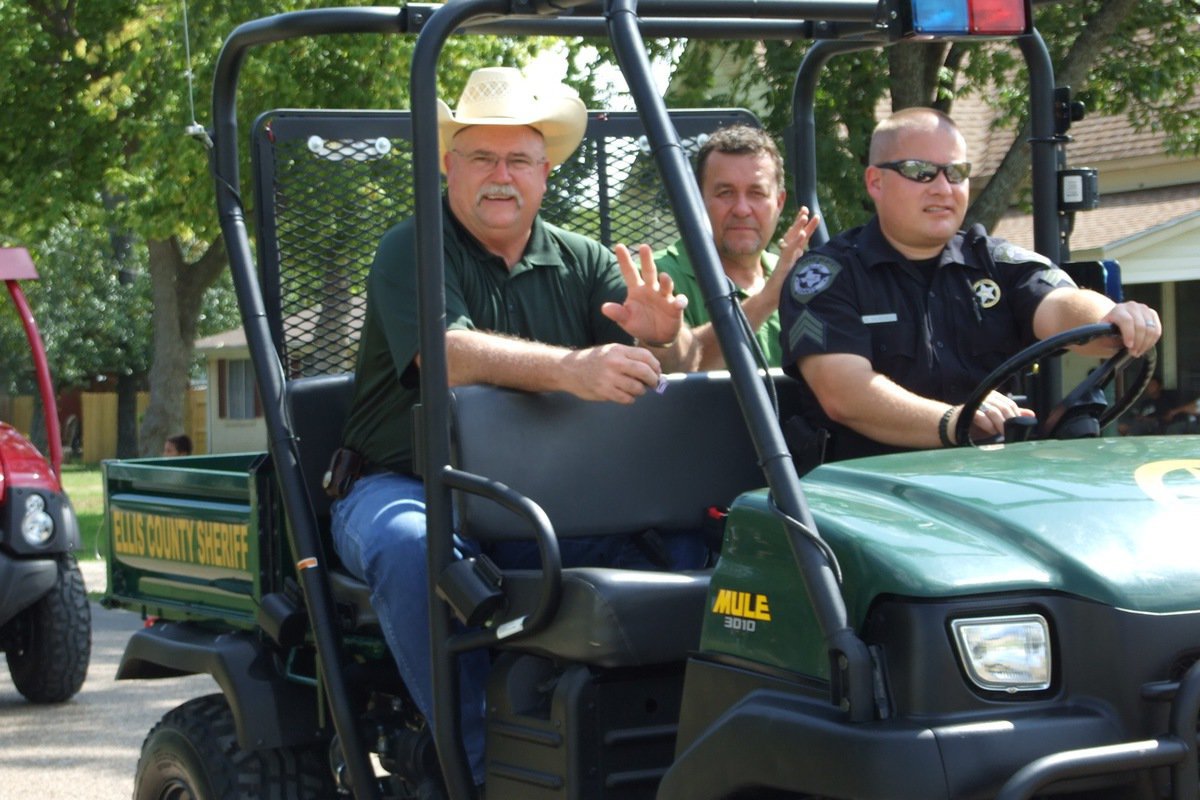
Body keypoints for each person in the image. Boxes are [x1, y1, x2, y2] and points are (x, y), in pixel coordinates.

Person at [328, 67, 701, 789]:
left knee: (692, 535)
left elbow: (668, 362)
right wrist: (573, 368)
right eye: (481, 158)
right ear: (448, 165)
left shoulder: (584, 258)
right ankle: (477, 772)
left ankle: (673, 754)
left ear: (545, 172)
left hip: (548, 496)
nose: (501, 177)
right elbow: (446, 353)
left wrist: (663, 339)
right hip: (403, 483)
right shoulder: (412, 245)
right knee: (414, 549)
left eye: (519, 160)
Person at [778, 107, 1162, 463]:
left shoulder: (995, 263)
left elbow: (1061, 305)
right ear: (875, 181)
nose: (943, 188)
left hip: (986, 487)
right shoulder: (828, 277)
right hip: (863, 497)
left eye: (956, 173)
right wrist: (956, 423)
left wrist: (1113, 318)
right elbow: (845, 395)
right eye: (920, 171)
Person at [655, 124, 820, 369]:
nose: (742, 209)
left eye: (756, 193)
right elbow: (664, 380)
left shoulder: (802, 278)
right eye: (725, 193)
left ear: (779, 202)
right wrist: (767, 299)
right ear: (698, 199)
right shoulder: (657, 278)